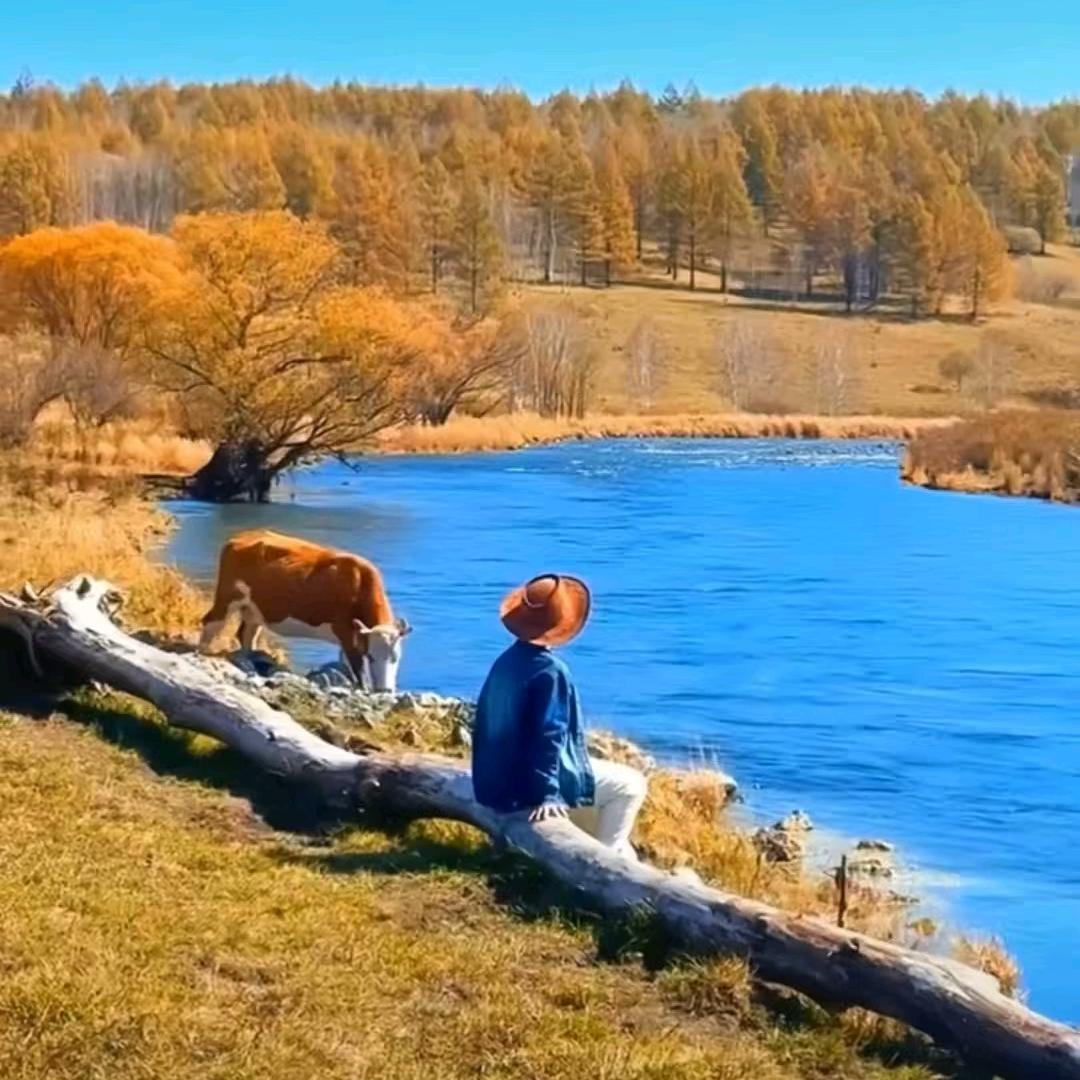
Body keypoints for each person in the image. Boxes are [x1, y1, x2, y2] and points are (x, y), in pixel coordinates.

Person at [471, 573, 647, 859]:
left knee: (603, 783)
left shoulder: (506, 661)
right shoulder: (550, 671)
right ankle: (606, 858)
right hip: (524, 787)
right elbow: (548, 736)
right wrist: (547, 794)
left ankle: (605, 846)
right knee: (631, 784)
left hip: (494, 783)